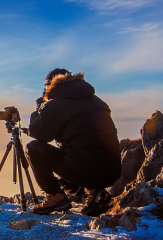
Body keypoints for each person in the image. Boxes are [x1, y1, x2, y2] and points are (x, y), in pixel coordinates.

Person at [25, 68, 121, 216]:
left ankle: (56, 197)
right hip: (112, 170)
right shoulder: (98, 101)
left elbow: (37, 133)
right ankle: (96, 193)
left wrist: (40, 108)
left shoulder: (56, 104)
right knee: (71, 170)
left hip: (84, 170)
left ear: (50, 86)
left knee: (33, 149)